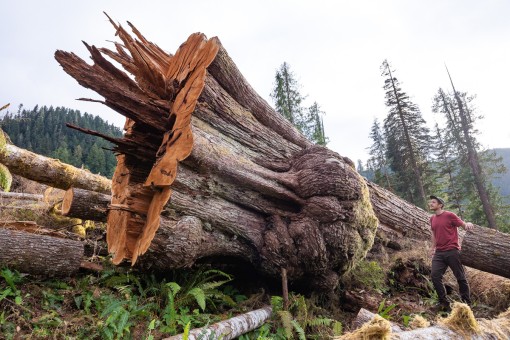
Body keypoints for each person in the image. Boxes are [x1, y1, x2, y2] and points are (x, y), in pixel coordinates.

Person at [428, 195, 474, 311]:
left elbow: (462, 224)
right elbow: (433, 234)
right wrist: (432, 248)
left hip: (452, 251)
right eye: (430, 202)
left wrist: (467, 224)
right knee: (435, 276)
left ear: (440, 205)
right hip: (439, 253)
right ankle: (444, 303)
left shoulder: (449, 215)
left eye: (434, 202)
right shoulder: (432, 218)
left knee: (460, 277)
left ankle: (466, 304)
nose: (431, 204)